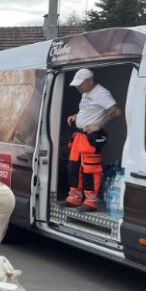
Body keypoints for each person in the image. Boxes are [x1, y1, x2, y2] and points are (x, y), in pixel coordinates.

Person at [63, 68, 121, 212]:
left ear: (90, 81)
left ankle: (90, 202)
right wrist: (76, 116)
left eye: (80, 84)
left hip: (90, 138)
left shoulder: (101, 93)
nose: (77, 87)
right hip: (79, 137)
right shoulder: (86, 92)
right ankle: (74, 198)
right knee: (74, 168)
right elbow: (88, 110)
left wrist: (99, 125)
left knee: (90, 170)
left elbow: (116, 111)